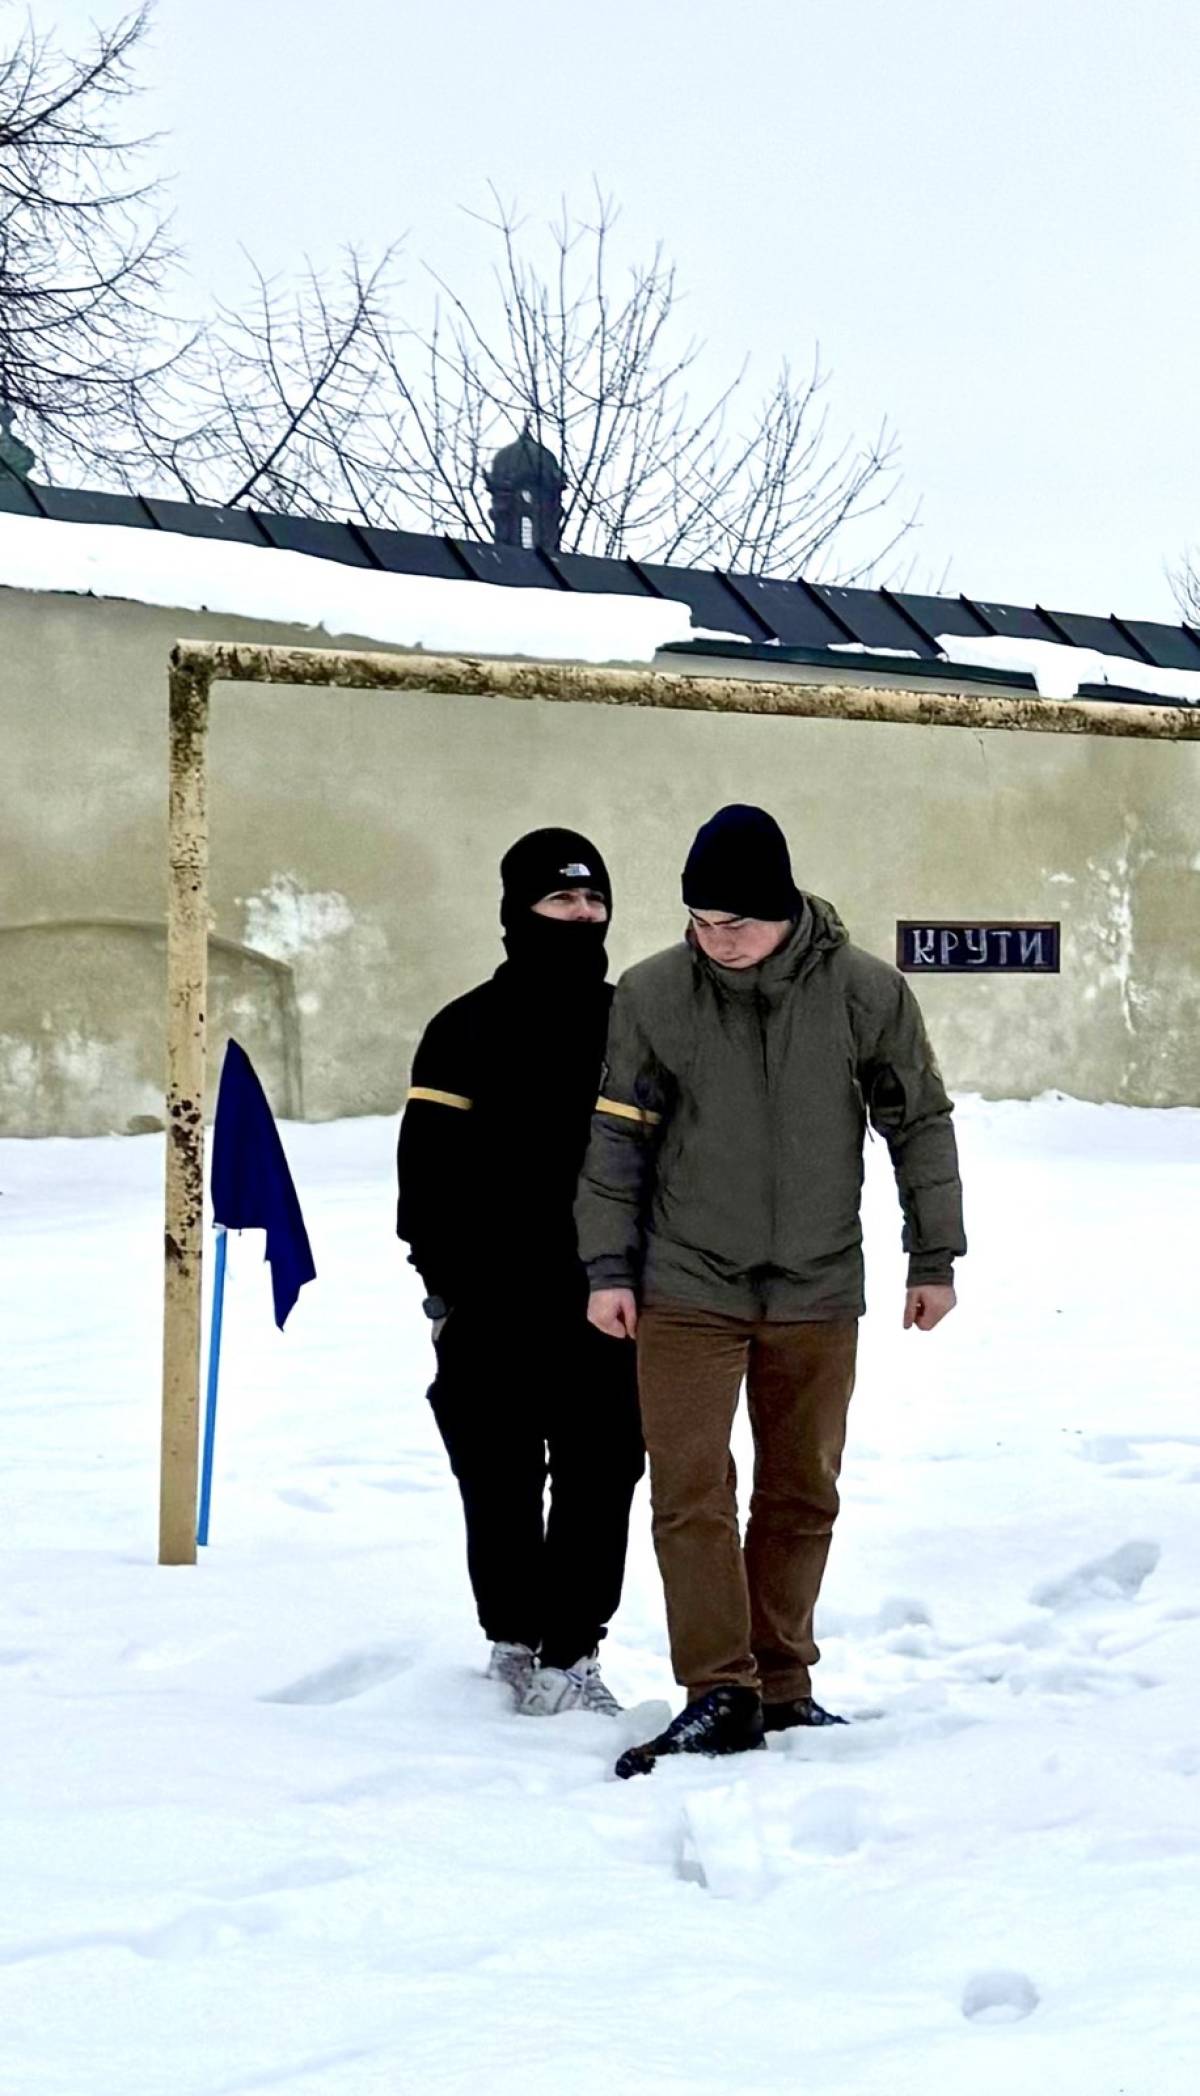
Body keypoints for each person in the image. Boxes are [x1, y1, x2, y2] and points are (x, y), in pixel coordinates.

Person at [576, 804, 965, 1776]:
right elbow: (617, 1136)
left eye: (736, 922)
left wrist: (934, 1257)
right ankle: (719, 1689)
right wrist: (608, 1268)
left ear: (784, 908)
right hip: (686, 1281)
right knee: (690, 1491)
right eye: (700, 921)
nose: (717, 939)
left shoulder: (865, 991)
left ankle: (782, 1683)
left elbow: (918, 1121)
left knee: (801, 1491)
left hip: (816, 1285)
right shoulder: (655, 992)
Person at [396, 828, 644, 1717]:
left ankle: (574, 1653)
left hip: (607, 1298)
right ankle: (512, 1637)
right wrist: (444, 1289)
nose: (581, 914)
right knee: (497, 1478)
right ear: (517, 910)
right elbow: (426, 1171)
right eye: (560, 898)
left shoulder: (633, 1023)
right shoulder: (464, 1027)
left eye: (593, 898)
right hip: (492, 1300)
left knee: (600, 1475)